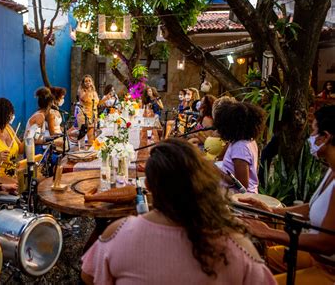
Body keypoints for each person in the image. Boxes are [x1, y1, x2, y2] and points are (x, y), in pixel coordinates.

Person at [81, 138, 276, 284]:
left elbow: (89, 277)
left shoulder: (117, 233)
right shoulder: (238, 246)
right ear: (204, 180)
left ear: (148, 185)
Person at [241, 105, 335, 285]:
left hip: (329, 272)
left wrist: (268, 233)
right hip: (313, 257)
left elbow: (326, 243)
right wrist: (271, 212)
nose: (310, 138)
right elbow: (312, 208)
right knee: (247, 259)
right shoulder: (331, 170)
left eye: (314, 131)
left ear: (326, 137)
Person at [213, 101, 266, 193]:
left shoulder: (240, 147)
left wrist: (215, 170)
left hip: (239, 201)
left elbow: (242, 185)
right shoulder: (247, 141)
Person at [25, 87, 55, 154]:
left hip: (35, 149)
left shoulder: (39, 114)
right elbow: (34, 140)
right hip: (32, 152)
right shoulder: (40, 117)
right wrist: (52, 140)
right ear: (50, 104)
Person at [77, 75, 99, 143]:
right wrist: (88, 91)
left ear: (92, 82)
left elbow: (97, 103)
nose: (88, 82)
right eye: (86, 81)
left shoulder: (94, 92)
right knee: (82, 140)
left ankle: (90, 153)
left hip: (93, 116)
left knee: (91, 139)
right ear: (83, 83)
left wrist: (106, 98)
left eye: (89, 81)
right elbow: (85, 99)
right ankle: (80, 152)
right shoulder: (82, 91)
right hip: (84, 117)